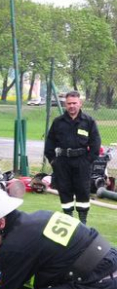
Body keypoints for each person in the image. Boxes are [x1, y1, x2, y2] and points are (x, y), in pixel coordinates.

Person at [44, 91, 101, 224]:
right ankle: (68, 221)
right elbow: (50, 143)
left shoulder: (88, 121)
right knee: (64, 190)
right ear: (65, 104)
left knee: (83, 190)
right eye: (69, 103)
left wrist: (88, 161)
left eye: (75, 103)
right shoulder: (58, 122)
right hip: (63, 162)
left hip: (82, 161)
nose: (72, 106)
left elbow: (95, 143)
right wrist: (53, 161)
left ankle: (82, 223)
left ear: (80, 104)